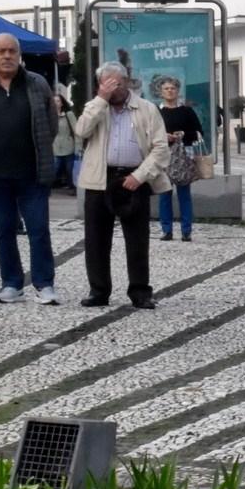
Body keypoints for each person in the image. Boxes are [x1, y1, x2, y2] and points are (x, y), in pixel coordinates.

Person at [0, 34, 60, 304]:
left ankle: (44, 284)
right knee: (4, 231)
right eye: (1, 51)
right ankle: (12, 284)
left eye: (12, 51)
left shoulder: (37, 83)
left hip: (32, 174)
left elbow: (50, 125)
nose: (7, 56)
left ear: (19, 54)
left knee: (38, 229)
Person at [75, 61, 170, 310]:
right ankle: (99, 290)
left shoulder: (146, 109)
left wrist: (140, 176)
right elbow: (81, 130)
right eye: (106, 84)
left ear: (126, 82)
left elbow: (161, 148)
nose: (112, 89)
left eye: (116, 84)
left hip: (134, 177)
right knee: (96, 239)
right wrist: (100, 100)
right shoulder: (96, 107)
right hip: (99, 178)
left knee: (137, 239)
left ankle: (140, 291)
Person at [155, 78, 205, 242]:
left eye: (173, 88)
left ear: (178, 91)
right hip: (163, 156)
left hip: (184, 156)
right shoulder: (157, 112)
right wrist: (165, 137)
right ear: (161, 92)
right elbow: (150, 134)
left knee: (184, 194)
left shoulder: (187, 111)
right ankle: (166, 230)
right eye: (166, 88)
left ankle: (186, 231)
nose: (170, 91)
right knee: (164, 194)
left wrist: (183, 134)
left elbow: (198, 133)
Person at [50, 94, 76, 192]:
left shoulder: (69, 115)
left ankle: (72, 187)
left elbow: (76, 131)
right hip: (55, 148)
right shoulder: (49, 115)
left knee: (70, 170)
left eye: (57, 101)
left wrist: (78, 147)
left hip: (68, 147)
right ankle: (48, 188)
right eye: (53, 101)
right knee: (54, 169)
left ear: (61, 103)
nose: (55, 103)